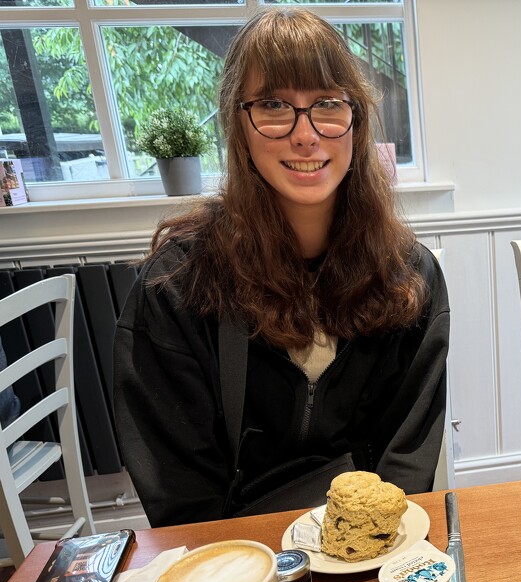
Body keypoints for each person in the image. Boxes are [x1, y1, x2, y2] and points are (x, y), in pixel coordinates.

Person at [113, 8, 449, 526]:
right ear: (238, 123)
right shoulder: (177, 285)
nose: (305, 135)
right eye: (273, 105)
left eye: (327, 105)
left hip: (367, 547)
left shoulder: (410, 275)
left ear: (355, 120)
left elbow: (406, 456)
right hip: (239, 556)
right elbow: (181, 493)